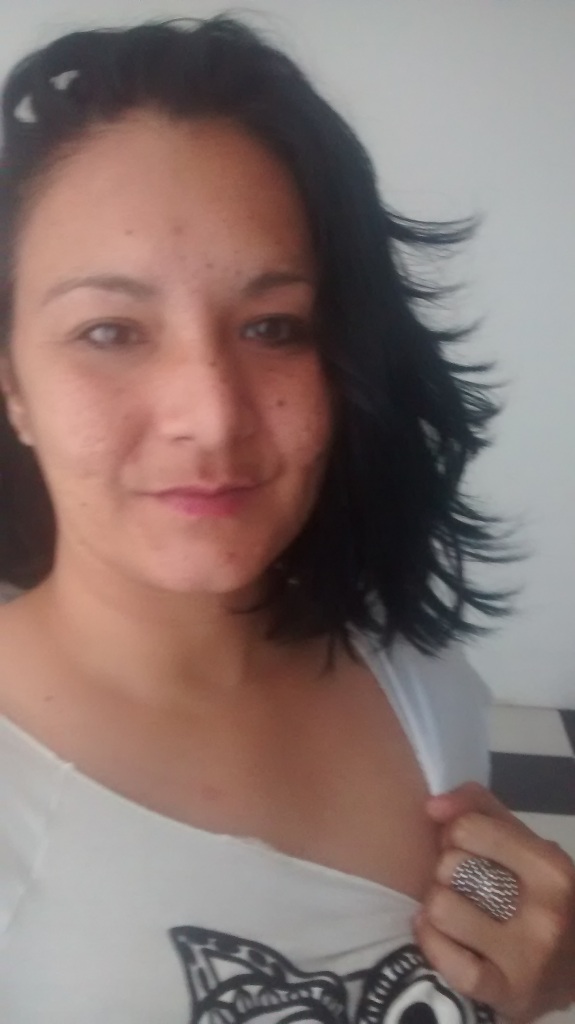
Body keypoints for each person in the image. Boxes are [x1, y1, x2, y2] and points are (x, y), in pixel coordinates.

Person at [0, 16, 572, 1023]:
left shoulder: (416, 675)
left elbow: (478, 938)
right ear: (14, 387)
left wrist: (539, 970)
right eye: (110, 331)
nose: (213, 413)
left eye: (272, 326)